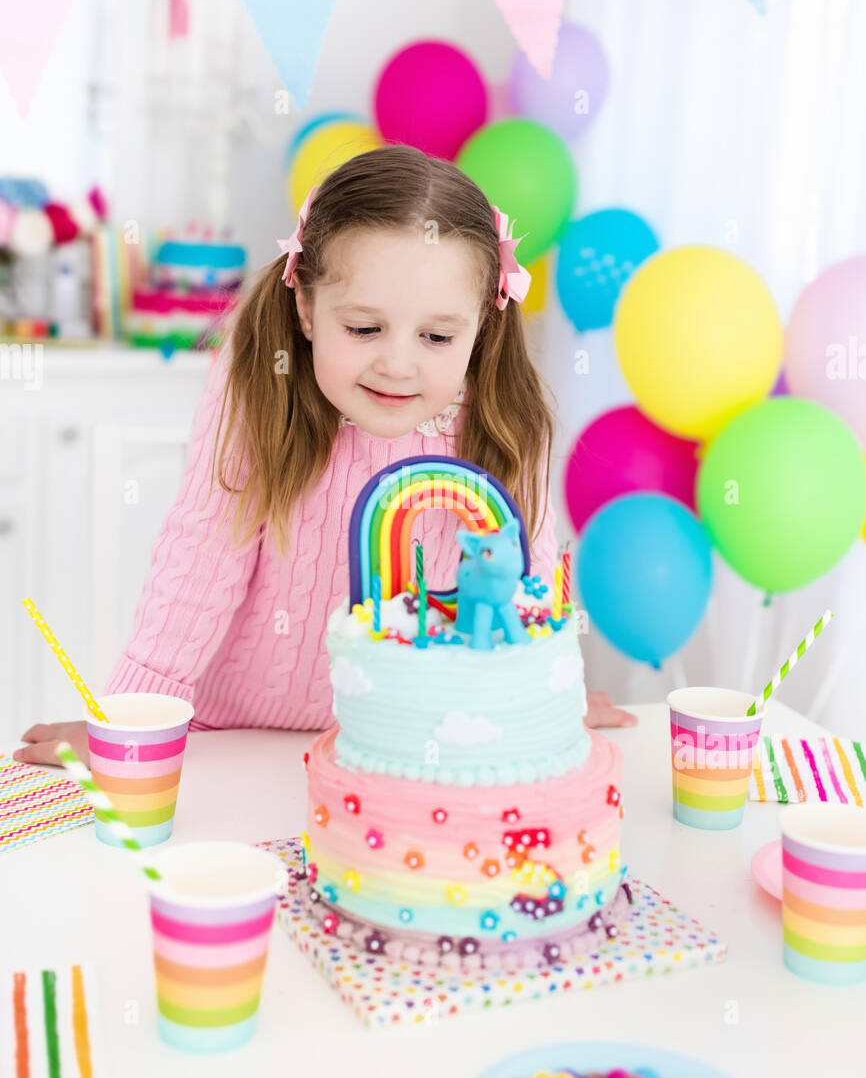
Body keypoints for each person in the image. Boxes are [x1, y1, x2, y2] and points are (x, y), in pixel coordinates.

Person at [15, 145, 637, 768]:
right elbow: (201, 553)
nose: (397, 364)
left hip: (408, 743)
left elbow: (524, 584)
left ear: (482, 325)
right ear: (308, 307)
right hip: (233, 741)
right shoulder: (260, 384)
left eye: (438, 337)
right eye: (364, 329)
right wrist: (133, 721)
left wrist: (549, 693)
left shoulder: (505, 417)